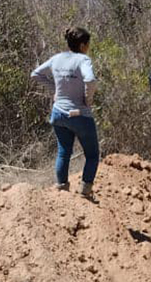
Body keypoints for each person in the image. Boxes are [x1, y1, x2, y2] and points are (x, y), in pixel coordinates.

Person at [31, 27, 100, 198]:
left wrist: (54, 89)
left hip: (58, 113)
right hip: (80, 114)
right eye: (88, 44)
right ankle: (85, 191)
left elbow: (35, 74)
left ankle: (62, 188)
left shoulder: (57, 58)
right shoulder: (83, 60)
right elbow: (90, 79)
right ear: (83, 44)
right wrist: (88, 98)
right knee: (92, 155)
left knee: (64, 152)